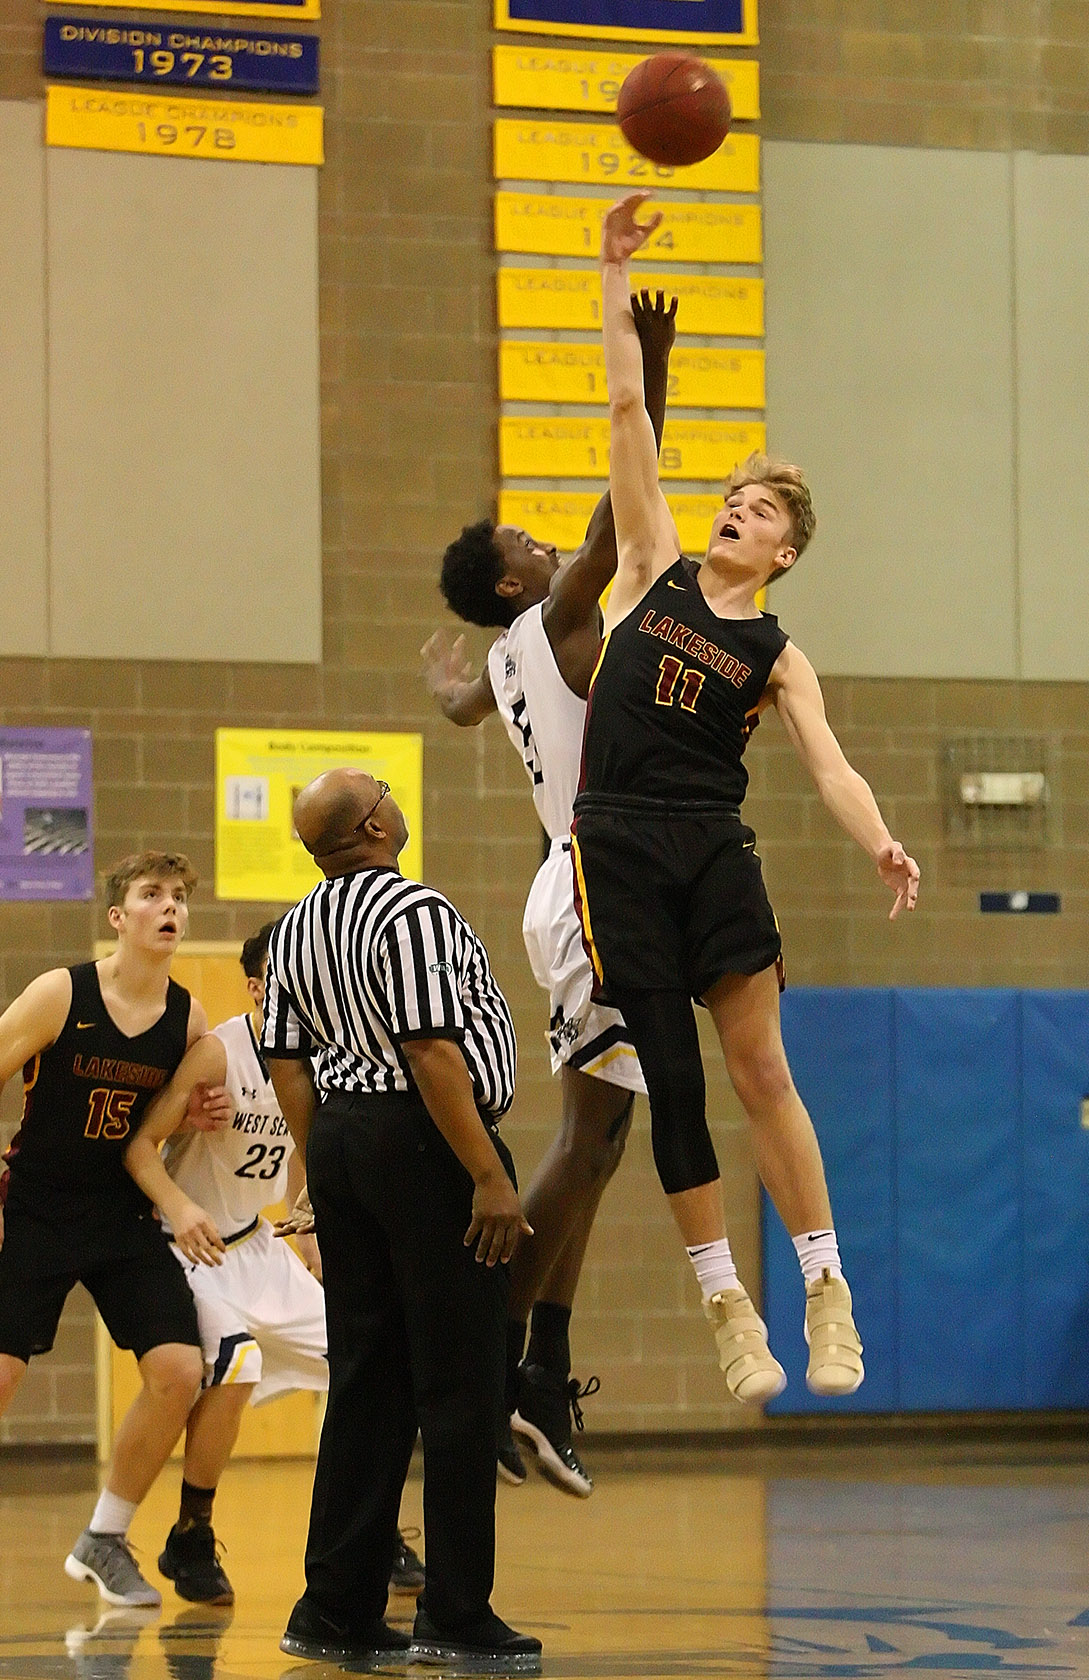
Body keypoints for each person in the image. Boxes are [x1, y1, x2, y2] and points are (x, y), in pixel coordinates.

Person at [571, 191, 921, 1405]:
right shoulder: (647, 565)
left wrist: (879, 842)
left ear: (783, 553)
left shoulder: (777, 653)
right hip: (614, 842)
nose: (736, 507)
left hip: (711, 846)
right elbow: (626, 408)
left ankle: (823, 1286)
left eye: (761, 508)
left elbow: (829, 763)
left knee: (760, 1069)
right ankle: (726, 1301)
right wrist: (611, 274)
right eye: (734, 493)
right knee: (672, 1076)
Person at [423, 289, 676, 1495]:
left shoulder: (502, 661)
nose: (539, 542)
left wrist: (441, 687)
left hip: (572, 881)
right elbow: (620, 506)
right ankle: (488, 1365)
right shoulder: (561, 610)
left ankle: (538, 1379)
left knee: (610, 1138)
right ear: (518, 573)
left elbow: (467, 705)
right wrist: (653, 366)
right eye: (524, 543)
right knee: (591, 1134)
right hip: (588, 886)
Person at [260, 768, 541, 1672]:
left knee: (365, 1383)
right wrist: (488, 1175)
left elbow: (289, 1066)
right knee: (460, 1386)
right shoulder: (412, 911)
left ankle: (333, 1610)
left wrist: (327, 1172)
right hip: (425, 1147)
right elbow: (428, 1049)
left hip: (343, 1139)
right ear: (377, 822)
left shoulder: (294, 927)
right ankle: (456, 1616)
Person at [125, 921, 424, 1607]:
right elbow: (141, 1144)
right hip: (188, 1245)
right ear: (258, 986)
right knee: (238, 1363)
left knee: (371, 1363)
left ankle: (367, 1529)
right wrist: (183, 1167)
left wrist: (313, 1237)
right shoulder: (214, 1055)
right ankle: (192, 1534)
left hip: (256, 1242)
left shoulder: (318, 1058)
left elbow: (299, 1155)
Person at [0, 852, 227, 1609]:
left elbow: (171, 1121)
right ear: (118, 918)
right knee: (3, 1373)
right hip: (32, 1204)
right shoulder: (60, 992)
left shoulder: (187, 1018)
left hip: (121, 1211)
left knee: (178, 1370)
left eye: (180, 896)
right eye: (152, 894)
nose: (171, 907)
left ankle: (104, 1536)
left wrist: (206, 1114)